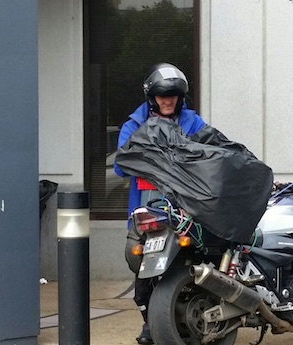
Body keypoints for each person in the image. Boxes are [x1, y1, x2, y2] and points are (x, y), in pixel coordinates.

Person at [114, 62, 206, 345]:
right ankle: (150, 322)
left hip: (187, 210)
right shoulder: (134, 125)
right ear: (151, 97)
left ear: (180, 98)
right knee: (141, 272)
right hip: (147, 214)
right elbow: (121, 165)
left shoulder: (193, 123)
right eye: (162, 96)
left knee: (196, 264)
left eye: (173, 96)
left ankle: (195, 317)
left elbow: (210, 156)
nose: (167, 101)